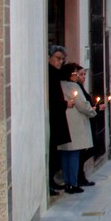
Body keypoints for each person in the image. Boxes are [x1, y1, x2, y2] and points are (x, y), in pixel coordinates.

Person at [58, 63, 101, 194]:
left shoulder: (60, 85)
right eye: (75, 74)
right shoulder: (73, 86)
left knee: (65, 154)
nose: (77, 76)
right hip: (75, 125)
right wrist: (93, 111)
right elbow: (82, 105)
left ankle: (67, 182)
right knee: (74, 154)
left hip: (64, 124)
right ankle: (73, 183)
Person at [48, 45, 71, 196]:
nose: (60, 62)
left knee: (55, 151)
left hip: (57, 119)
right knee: (52, 152)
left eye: (62, 59)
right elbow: (52, 99)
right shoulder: (49, 74)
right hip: (53, 118)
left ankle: (51, 180)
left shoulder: (56, 74)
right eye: (57, 58)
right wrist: (65, 104)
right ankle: (50, 181)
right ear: (49, 58)